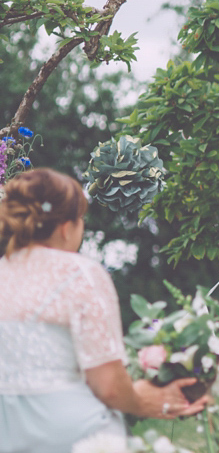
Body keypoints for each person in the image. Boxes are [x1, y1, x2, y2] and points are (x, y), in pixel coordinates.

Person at [0, 168, 207, 453]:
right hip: (77, 437)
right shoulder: (80, 274)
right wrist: (141, 399)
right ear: (66, 226)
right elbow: (108, 386)